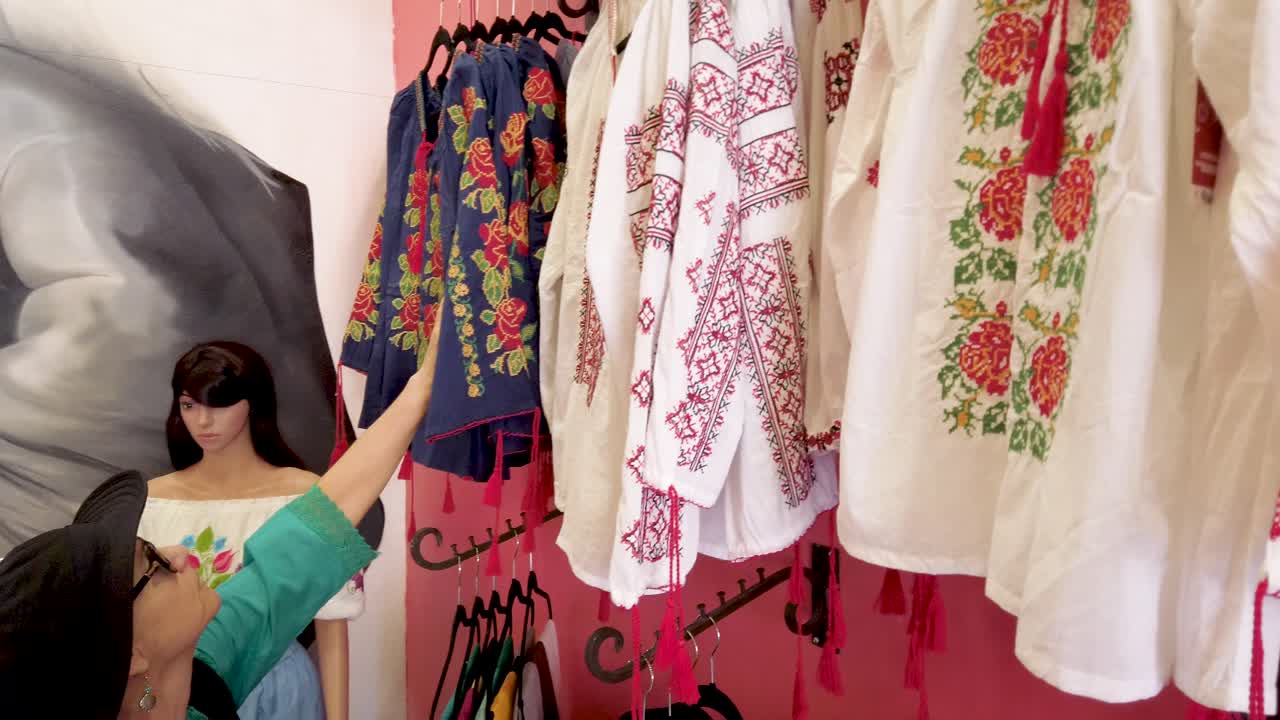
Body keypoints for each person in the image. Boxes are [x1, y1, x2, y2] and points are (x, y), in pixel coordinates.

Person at [0, 320, 440, 719]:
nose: (177, 554)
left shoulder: (209, 652)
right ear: (131, 654)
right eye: (152, 563)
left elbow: (314, 528)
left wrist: (423, 387)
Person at [137, 341, 360, 720]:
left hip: (276, 685)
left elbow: (331, 621)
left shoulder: (304, 495)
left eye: (219, 404)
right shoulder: (151, 501)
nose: (203, 421)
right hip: (179, 688)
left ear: (252, 402)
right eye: (189, 405)